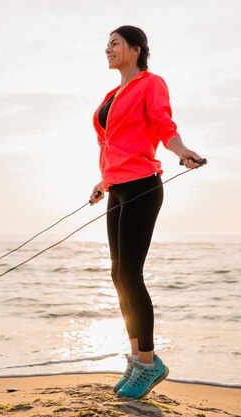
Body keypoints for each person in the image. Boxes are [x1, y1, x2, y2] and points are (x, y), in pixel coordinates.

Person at [89, 25, 204, 400]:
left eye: (115, 44)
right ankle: (138, 360)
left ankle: (150, 361)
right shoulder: (112, 93)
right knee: (117, 275)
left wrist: (181, 151)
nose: (107, 49)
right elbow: (112, 144)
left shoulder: (150, 84)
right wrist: (103, 182)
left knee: (130, 273)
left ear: (135, 49)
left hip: (142, 186)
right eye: (106, 44)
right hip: (118, 187)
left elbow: (163, 125)